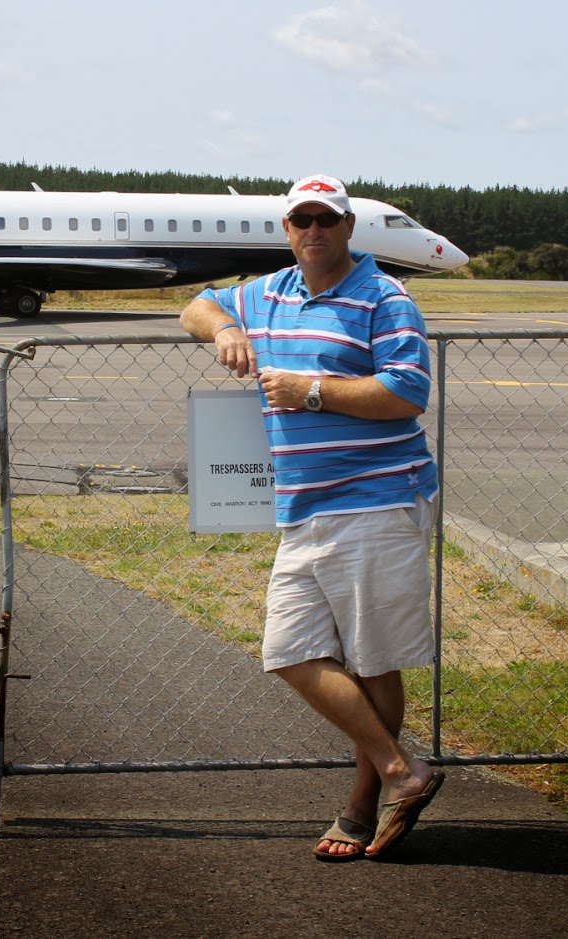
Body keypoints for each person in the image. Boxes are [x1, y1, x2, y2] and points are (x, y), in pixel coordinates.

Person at [180, 174, 445, 862]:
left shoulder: (385, 297)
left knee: (375, 661)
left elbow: (407, 392)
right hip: (304, 508)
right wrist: (228, 328)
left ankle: (363, 808)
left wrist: (314, 391)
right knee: (290, 650)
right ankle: (400, 772)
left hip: (377, 501)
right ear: (287, 227)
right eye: (302, 220)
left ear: (349, 228)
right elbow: (195, 306)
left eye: (326, 220)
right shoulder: (268, 291)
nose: (314, 231)